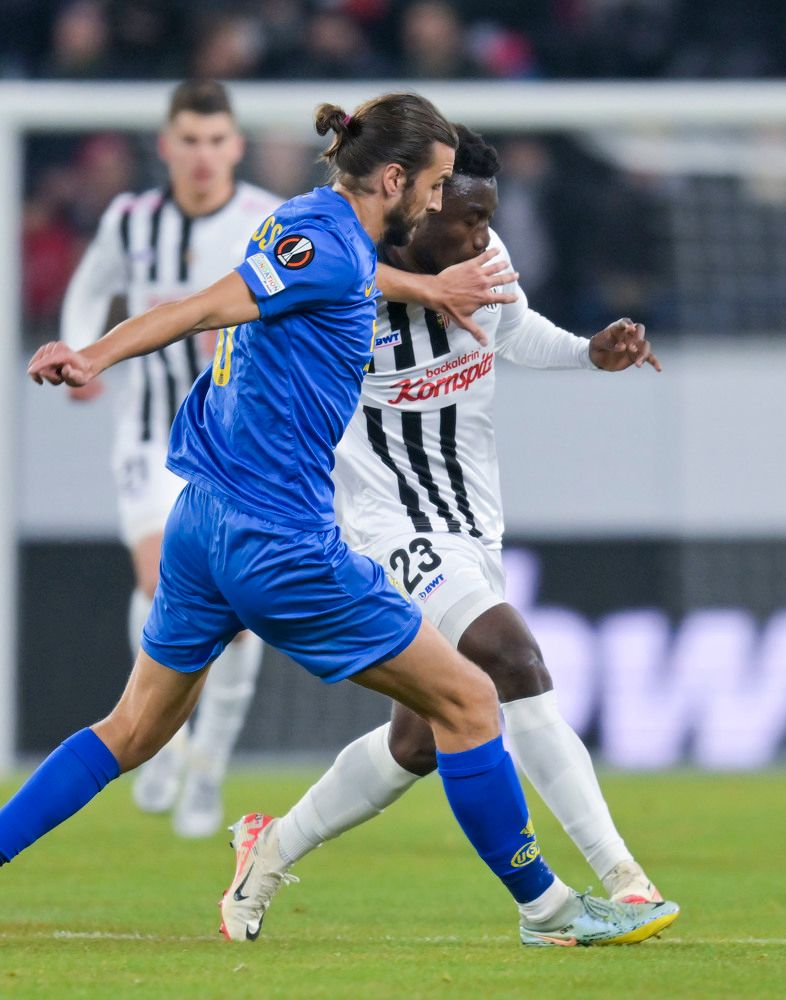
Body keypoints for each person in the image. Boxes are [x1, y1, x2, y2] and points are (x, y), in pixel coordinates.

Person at [0, 92, 679, 949]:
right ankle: (549, 910)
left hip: (200, 520)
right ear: (392, 179)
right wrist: (94, 351)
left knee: (131, 728)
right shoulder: (330, 252)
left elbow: (341, 273)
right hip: (282, 539)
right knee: (473, 699)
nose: (441, 204)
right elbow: (212, 305)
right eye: (434, 188)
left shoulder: (307, 220)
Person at [217, 124, 666, 942]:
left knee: (419, 740)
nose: (479, 235)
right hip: (387, 524)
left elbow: (515, 327)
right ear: (412, 206)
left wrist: (589, 352)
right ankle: (622, 881)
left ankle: (270, 848)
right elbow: (266, 295)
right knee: (513, 658)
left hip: (470, 524)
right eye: (461, 218)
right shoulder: (342, 283)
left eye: (486, 218)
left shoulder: (483, 268)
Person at [58, 80, 283, 839]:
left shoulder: (265, 221)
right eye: (189, 140)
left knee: (242, 610)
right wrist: (84, 359)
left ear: (236, 147)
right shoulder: (130, 221)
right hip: (153, 434)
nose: (202, 155)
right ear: (166, 145)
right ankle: (159, 734)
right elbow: (89, 293)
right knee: (158, 579)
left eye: (216, 141)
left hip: (238, 443)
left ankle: (209, 762)